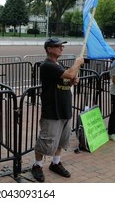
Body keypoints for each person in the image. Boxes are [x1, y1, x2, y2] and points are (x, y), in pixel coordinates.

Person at [31, 38, 84, 182]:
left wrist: (73, 80)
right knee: (45, 140)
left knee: (61, 140)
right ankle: (37, 165)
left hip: (65, 108)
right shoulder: (47, 65)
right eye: (58, 46)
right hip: (52, 110)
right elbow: (69, 74)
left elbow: (67, 79)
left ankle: (55, 162)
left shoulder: (57, 65)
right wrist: (77, 64)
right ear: (49, 49)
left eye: (62, 46)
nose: (61, 48)